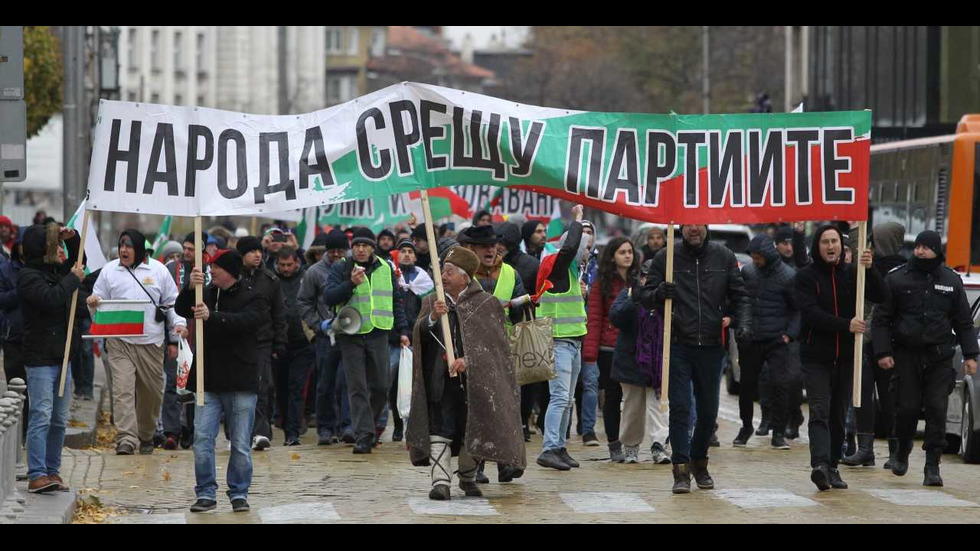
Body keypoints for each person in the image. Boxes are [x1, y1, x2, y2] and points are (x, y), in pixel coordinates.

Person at [406, 246, 526, 500]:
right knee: (440, 428)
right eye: (442, 271)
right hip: (439, 379)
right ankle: (440, 483)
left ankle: (468, 479)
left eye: (449, 272)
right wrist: (432, 319)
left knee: (472, 427)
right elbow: (420, 334)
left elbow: (496, 350)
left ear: (465, 277)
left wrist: (469, 360)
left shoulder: (487, 304)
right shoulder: (431, 301)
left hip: (475, 382)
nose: (444, 277)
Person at [638, 225, 751, 494]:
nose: (694, 229)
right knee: (679, 408)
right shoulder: (667, 257)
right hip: (678, 344)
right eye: (688, 224)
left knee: (708, 411)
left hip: (712, 346)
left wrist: (741, 323)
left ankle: (699, 460)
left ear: (706, 227)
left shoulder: (723, 256)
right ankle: (680, 469)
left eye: (698, 223)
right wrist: (658, 294)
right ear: (681, 228)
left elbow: (740, 295)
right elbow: (644, 297)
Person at [873, 230, 979, 486]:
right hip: (906, 354)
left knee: (936, 408)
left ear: (936, 251)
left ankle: (933, 464)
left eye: (925, 247)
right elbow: (881, 319)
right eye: (917, 246)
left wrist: (970, 356)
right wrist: (883, 352)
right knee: (907, 407)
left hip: (939, 357)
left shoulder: (951, 281)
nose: (919, 251)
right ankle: (902, 450)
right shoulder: (897, 279)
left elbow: (964, 322)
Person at [175, 250, 267, 513]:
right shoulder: (206, 292)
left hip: (241, 380)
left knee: (239, 442)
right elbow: (182, 308)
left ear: (230, 271)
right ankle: (205, 492)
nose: (211, 271)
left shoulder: (253, 295)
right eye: (210, 267)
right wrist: (190, 287)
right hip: (208, 379)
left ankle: (239, 492)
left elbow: (249, 322)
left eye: (216, 267)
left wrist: (212, 317)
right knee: (202, 438)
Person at [796, 225, 885, 491]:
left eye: (834, 241)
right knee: (820, 412)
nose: (830, 246)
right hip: (816, 358)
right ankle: (820, 465)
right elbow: (811, 314)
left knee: (838, 415)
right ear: (818, 246)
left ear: (842, 246)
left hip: (846, 358)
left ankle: (833, 465)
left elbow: (880, 295)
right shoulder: (806, 277)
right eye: (825, 242)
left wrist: (870, 270)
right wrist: (845, 325)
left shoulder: (851, 274)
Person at [89, 230, 188, 456]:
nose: (123, 250)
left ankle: (145, 435)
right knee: (123, 390)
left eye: (129, 246)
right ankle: (126, 438)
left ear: (140, 249)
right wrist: (93, 304)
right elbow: (97, 304)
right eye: (121, 245)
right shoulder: (109, 271)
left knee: (151, 395)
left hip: (151, 343)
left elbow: (172, 303)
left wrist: (179, 325)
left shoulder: (159, 271)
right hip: (120, 342)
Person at [323, 227, 410, 454]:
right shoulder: (341, 267)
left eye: (365, 245)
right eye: (357, 246)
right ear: (352, 248)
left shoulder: (385, 267)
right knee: (357, 387)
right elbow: (329, 297)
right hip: (351, 335)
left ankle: (367, 427)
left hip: (379, 333)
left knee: (382, 386)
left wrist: (403, 330)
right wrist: (350, 283)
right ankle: (364, 435)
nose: (361, 250)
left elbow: (395, 300)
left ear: (373, 247)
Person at [18, 222, 84, 493]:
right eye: (56, 244)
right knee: (41, 415)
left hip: (63, 357)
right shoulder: (29, 276)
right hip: (41, 359)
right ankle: (37, 473)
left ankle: (53, 471)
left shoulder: (58, 271)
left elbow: (79, 263)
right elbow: (51, 298)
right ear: (42, 250)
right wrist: (73, 280)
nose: (61, 249)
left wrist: (75, 238)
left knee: (59, 419)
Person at [841, 222, 907, 468]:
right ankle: (865, 448)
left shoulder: (902, 270)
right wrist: (855, 230)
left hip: (889, 344)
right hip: (865, 340)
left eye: (873, 238)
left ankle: (894, 450)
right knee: (862, 394)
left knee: (890, 400)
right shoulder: (866, 265)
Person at [535, 205, 590, 471]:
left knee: (568, 399)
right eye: (585, 248)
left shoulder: (571, 272)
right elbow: (570, 247)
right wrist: (577, 219)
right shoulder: (556, 265)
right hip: (558, 342)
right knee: (559, 398)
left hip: (573, 341)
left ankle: (559, 447)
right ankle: (548, 448)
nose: (586, 254)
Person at [733, 236, 800, 450]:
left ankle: (778, 432)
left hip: (777, 340)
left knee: (781, 385)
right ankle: (746, 427)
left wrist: (789, 334)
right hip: (751, 339)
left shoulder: (788, 276)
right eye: (753, 257)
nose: (755, 261)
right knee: (747, 386)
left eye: (758, 257)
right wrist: (740, 326)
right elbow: (741, 302)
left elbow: (798, 309)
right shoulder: (749, 272)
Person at [611, 259, 670, 464]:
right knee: (632, 407)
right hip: (631, 361)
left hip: (658, 363)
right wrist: (634, 300)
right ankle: (630, 446)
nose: (648, 281)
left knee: (659, 406)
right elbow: (616, 318)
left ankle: (659, 444)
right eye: (645, 277)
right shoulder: (628, 294)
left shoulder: (667, 298)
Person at [583, 237, 639, 455]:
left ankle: (632, 442)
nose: (627, 256)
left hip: (634, 347)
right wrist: (591, 351)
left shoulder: (639, 280)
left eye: (630, 252)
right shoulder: (602, 281)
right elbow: (595, 316)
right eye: (622, 252)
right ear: (612, 256)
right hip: (609, 348)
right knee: (612, 396)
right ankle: (614, 443)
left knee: (634, 398)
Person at [298, 228, 352, 445]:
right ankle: (326, 427)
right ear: (327, 251)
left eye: (341, 251)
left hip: (350, 333)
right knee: (325, 384)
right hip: (326, 335)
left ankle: (347, 425)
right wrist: (317, 325)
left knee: (347, 382)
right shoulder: (314, 272)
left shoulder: (353, 268)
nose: (338, 255)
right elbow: (303, 302)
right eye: (333, 251)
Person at [236, 236, 288, 450]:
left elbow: (279, 314)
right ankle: (237, 432)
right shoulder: (232, 278)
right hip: (237, 341)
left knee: (262, 386)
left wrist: (279, 343)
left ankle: (260, 432)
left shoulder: (270, 280)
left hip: (262, 341)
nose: (257, 255)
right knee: (238, 387)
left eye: (259, 251)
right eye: (251, 252)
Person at [273, 247, 315, 446]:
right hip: (279, 342)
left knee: (297, 387)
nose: (286, 269)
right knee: (280, 388)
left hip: (302, 343)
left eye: (289, 265)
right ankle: (284, 421)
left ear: (296, 262)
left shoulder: (306, 278)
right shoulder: (273, 280)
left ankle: (293, 431)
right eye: (282, 265)